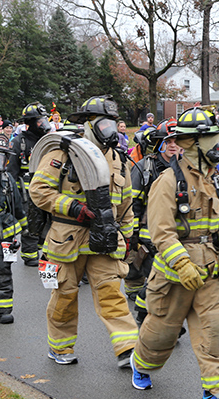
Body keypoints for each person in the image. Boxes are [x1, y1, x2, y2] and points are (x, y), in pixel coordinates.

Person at [129, 107, 219, 399]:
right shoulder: (167, 181)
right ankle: (140, 363)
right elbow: (161, 233)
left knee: (215, 332)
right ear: (191, 143)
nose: (217, 143)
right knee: (161, 335)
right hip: (173, 278)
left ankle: (215, 391)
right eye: (210, 138)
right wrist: (182, 265)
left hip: (210, 273)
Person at [29, 95, 139, 367]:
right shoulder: (64, 152)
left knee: (112, 294)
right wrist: (73, 208)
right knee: (64, 295)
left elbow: (125, 207)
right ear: (89, 124)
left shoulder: (118, 160)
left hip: (105, 240)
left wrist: (127, 237)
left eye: (113, 124)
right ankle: (60, 347)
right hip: (67, 239)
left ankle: (128, 349)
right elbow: (39, 190)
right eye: (104, 124)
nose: (109, 130)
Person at [127, 118, 178, 314]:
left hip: (175, 233)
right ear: (159, 143)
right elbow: (134, 204)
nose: (173, 146)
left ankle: (145, 309)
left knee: (165, 280)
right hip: (150, 235)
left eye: (176, 141)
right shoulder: (144, 168)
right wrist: (134, 235)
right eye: (168, 141)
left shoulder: (185, 168)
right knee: (159, 279)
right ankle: (144, 312)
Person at [8, 103, 52, 267]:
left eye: (44, 120)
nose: (43, 124)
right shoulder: (20, 141)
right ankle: (29, 254)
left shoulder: (47, 141)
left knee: (49, 221)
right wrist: (12, 193)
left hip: (48, 190)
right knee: (31, 222)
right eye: (40, 121)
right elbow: (11, 169)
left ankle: (46, 251)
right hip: (27, 193)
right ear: (31, 123)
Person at [0, 135, 25, 324]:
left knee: (0, 270)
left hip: (1, 232)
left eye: (2, 157)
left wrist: (25, 230)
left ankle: (1, 309)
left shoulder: (8, 179)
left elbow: (17, 205)